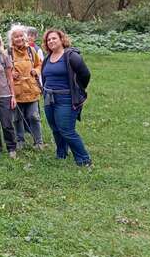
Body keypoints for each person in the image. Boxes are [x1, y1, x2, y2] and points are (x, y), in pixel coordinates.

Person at [41, 29, 92, 166]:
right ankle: (61, 153)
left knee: (66, 130)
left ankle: (84, 159)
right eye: (48, 40)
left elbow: (85, 75)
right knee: (55, 128)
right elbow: (45, 76)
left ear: (61, 39)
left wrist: (78, 90)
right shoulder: (47, 58)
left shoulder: (71, 56)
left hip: (65, 98)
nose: (51, 41)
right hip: (48, 96)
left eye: (54, 38)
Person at [7, 25, 44, 151]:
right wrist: (10, 73)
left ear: (24, 37)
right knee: (16, 118)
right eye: (15, 36)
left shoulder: (31, 51)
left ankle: (38, 142)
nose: (18, 38)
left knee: (34, 116)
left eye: (20, 36)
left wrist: (36, 70)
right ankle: (20, 141)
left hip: (31, 89)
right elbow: (3, 70)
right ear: (12, 39)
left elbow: (39, 64)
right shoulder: (8, 53)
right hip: (16, 91)